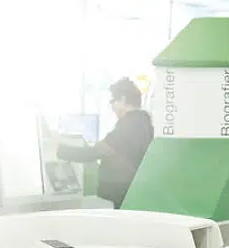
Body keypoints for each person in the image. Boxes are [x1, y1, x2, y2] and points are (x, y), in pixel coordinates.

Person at [56, 77, 155, 208]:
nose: (112, 106)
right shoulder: (145, 124)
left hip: (121, 196)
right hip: (132, 194)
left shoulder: (130, 125)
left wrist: (60, 150)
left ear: (123, 99)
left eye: (112, 101)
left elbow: (96, 152)